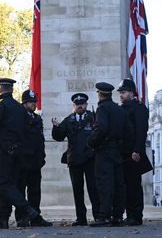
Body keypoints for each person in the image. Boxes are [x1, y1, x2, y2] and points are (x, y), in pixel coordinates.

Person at [0, 78, 39, 229]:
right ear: (12, 90)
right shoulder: (19, 108)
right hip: (19, 151)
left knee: (3, 183)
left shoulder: (0, 106)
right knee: (9, 184)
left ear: (0, 88)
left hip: (4, 150)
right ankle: (3, 218)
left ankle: (26, 208)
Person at [52, 92, 100, 226]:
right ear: (73, 105)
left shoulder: (93, 117)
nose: (80, 106)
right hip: (74, 160)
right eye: (77, 104)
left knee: (93, 188)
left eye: (82, 104)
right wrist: (56, 127)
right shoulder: (69, 120)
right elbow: (59, 137)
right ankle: (81, 218)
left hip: (90, 159)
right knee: (77, 190)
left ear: (86, 104)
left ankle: (98, 216)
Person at [88, 82, 126, 227]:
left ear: (100, 94)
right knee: (118, 184)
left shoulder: (102, 108)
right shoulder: (118, 109)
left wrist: (91, 142)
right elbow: (126, 130)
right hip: (117, 150)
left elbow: (101, 128)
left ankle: (104, 216)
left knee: (104, 184)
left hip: (104, 151)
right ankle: (117, 216)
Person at [117, 78, 152, 226]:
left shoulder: (139, 108)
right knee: (125, 185)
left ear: (131, 93)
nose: (121, 95)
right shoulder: (121, 108)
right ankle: (129, 214)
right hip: (122, 153)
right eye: (120, 92)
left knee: (133, 186)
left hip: (133, 152)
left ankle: (136, 215)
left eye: (123, 92)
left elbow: (141, 131)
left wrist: (137, 149)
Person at [15, 89, 52, 227]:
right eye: (31, 102)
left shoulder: (36, 118)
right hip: (23, 160)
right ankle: (21, 217)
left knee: (35, 190)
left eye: (34, 102)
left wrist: (42, 156)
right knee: (20, 189)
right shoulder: (19, 117)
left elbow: (40, 139)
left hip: (35, 160)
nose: (33, 104)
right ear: (24, 103)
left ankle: (35, 216)